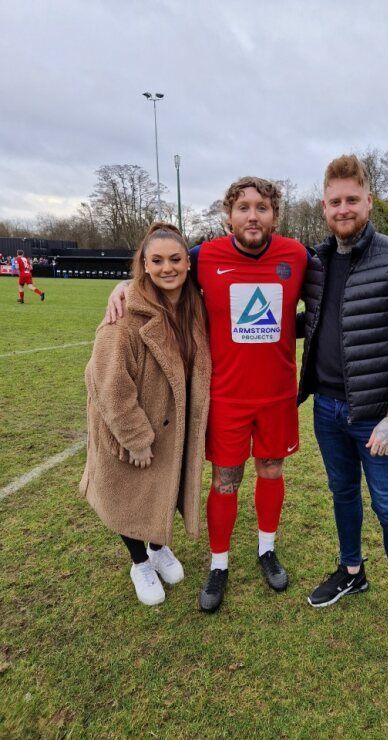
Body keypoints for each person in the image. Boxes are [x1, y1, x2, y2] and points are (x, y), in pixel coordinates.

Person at [106, 178, 308, 613]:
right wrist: (123, 287)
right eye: (243, 208)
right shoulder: (205, 257)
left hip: (276, 396)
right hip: (226, 398)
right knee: (225, 480)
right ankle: (219, 565)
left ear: (275, 214)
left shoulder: (296, 255)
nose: (253, 216)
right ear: (228, 215)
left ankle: (266, 550)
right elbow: (161, 272)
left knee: (271, 470)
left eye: (262, 208)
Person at [297, 155, 388, 672]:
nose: (343, 209)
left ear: (369, 200)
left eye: (352, 199)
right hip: (327, 409)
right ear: (324, 205)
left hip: (376, 416)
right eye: (334, 201)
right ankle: (352, 570)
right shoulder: (315, 262)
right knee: (342, 493)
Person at [80, 223, 211, 605]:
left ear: (188, 262)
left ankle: (158, 546)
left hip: (172, 420)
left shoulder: (194, 305)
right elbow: (108, 383)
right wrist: (135, 438)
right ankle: (139, 560)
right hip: (131, 425)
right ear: (144, 264)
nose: (167, 267)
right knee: (131, 493)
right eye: (157, 260)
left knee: (161, 487)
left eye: (175, 259)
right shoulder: (124, 316)